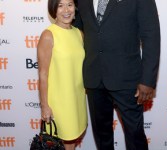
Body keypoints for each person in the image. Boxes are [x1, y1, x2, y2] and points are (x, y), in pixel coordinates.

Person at [73, 0, 160, 149]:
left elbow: (151, 35)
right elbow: (77, 29)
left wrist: (148, 80)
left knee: (135, 135)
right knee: (101, 136)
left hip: (127, 78)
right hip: (94, 77)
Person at [37, 0, 87, 149]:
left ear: (75, 8)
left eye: (70, 4)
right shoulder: (48, 35)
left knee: (71, 141)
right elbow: (43, 74)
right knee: (61, 142)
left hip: (76, 99)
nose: (66, 10)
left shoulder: (79, 34)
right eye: (60, 5)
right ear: (54, 10)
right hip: (58, 102)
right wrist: (45, 105)